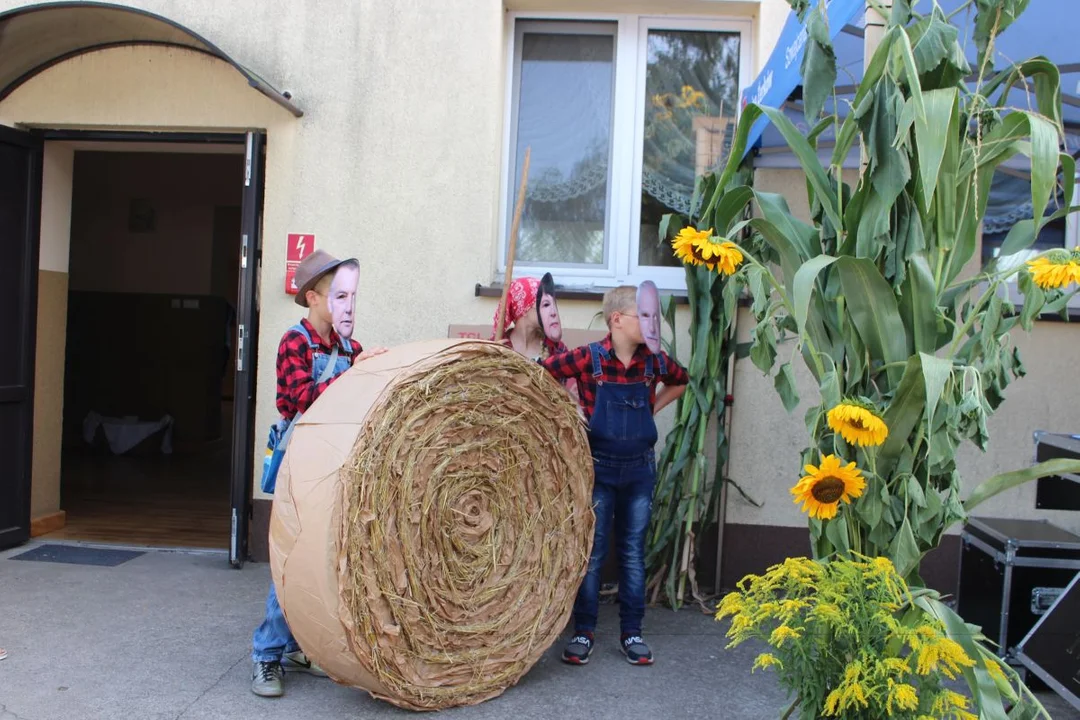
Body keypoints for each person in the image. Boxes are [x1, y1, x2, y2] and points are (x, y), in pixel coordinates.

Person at [251, 250, 385, 698]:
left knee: (324, 561)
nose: (349, 306)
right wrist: (353, 378)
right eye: (340, 296)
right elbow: (298, 400)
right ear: (314, 297)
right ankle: (266, 656)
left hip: (338, 469)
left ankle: (298, 647)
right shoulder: (295, 342)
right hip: (299, 466)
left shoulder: (353, 349)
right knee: (291, 561)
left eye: (354, 297)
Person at [540, 285, 688, 666]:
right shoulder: (589, 358)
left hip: (640, 470)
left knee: (633, 555)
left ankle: (632, 633)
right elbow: (542, 374)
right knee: (592, 553)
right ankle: (583, 632)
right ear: (617, 320)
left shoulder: (655, 361)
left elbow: (682, 379)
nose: (651, 323)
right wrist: (571, 406)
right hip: (599, 469)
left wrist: (652, 406)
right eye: (643, 316)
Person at [491, 275, 566, 361]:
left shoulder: (554, 348)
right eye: (545, 305)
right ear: (524, 310)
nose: (552, 312)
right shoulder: (496, 346)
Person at [637, 280, 662, 354]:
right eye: (645, 316)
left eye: (656, 317)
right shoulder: (602, 359)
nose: (652, 328)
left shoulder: (662, 362)